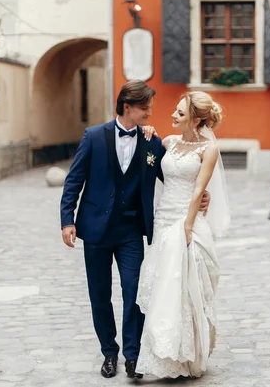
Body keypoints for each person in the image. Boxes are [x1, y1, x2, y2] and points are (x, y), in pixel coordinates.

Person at [59, 80, 210, 379]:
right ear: (127, 107)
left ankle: (132, 355)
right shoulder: (93, 137)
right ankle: (109, 353)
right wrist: (67, 220)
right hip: (96, 229)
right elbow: (74, 180)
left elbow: (174, 176)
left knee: (134, 292)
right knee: (99, 294)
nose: (151, 112)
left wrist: (200, 193)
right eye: (145, 107)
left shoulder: (152, 143)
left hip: (131, 230)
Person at [135, 91, 230, 379]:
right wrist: (148, 133)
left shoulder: (208, 150)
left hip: (186, 223)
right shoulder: (169, 142)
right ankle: (166, 354)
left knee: (187, 289)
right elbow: (158, 167)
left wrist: (187, 227)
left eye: (179, 113)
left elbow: (199, 190)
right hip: (163, 221)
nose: (172, 116)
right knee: (164, 288)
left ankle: (188, 355)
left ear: (196, 119)